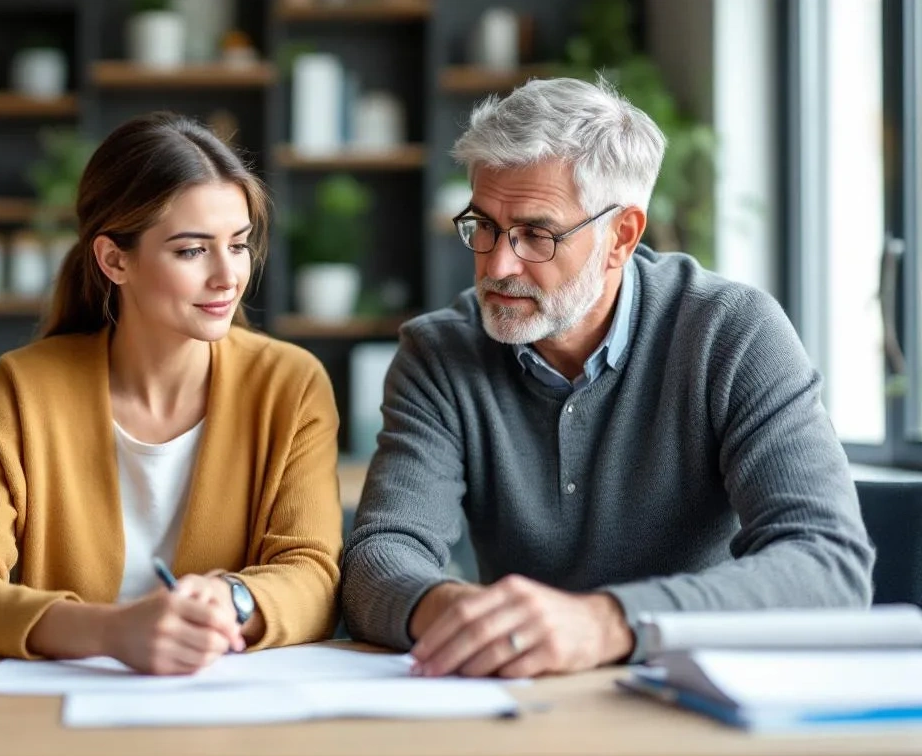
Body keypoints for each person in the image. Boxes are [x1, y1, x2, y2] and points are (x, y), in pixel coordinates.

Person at [341, 77, 875, 679]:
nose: (496, 263)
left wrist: (606, 623)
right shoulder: (440, 352)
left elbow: (828, 565)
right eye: (482, 224)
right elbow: (377, 559)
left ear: (620, 236)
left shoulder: (732, 333)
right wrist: (458, 611)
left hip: (700, 690)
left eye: (535, 234)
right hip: (525, 699)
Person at [0, 113, 342, 674]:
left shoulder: (291, 385)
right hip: (55, 716)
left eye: (238, 245)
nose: (228, 276)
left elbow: (314, 573)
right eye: (193, 251)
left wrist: (235, 599)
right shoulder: (25, 389)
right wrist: (109, 631)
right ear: (114, 259)